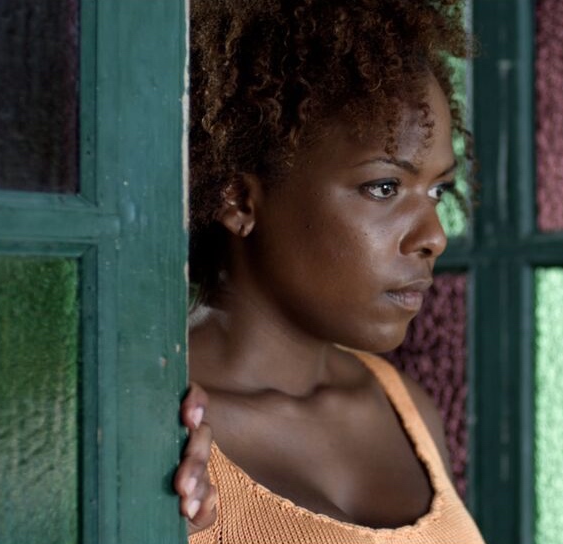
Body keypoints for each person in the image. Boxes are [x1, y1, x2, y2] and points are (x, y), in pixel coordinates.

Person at [172, 1, 482, 542]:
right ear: (238, 199)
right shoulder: (156, 431)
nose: (434, 236)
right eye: (384, 187)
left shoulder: (406, 410)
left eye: (437, 190)